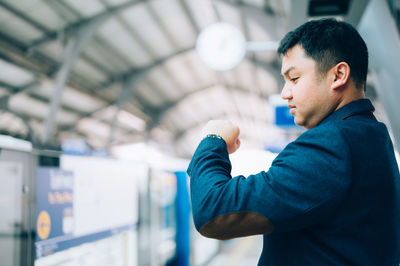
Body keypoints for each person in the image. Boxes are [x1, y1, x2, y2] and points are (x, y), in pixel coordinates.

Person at [187, 18, 400, 265]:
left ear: (338, 75)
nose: (285, 93)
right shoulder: (373, 135)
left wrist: (213, 141)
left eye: (295, 78)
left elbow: (213, 211)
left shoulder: (331, 145)